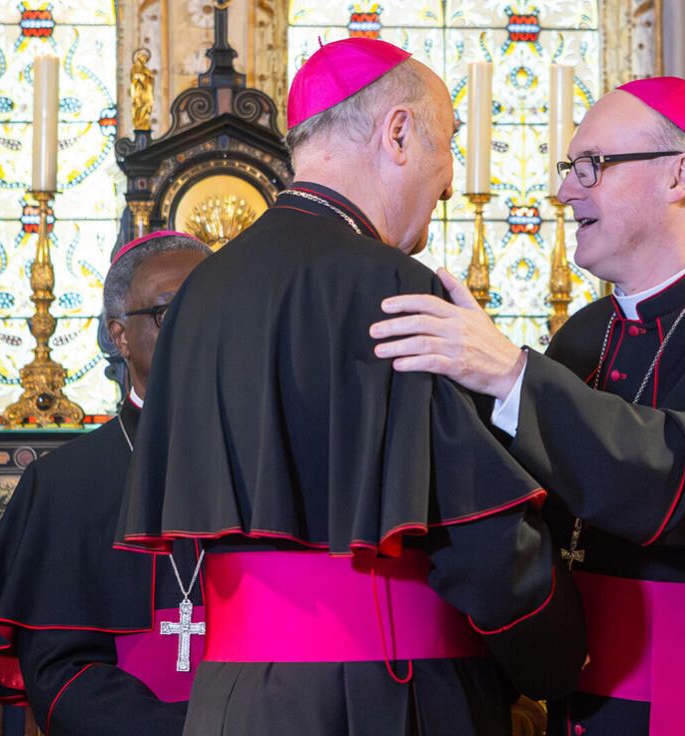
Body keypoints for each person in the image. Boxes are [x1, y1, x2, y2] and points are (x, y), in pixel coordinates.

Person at [371, 76, 685, 735]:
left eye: (592, 165)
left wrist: (510, 376)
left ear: (681, 175)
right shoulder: (584, 335)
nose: (564, 190)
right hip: (584, 703)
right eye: (568, 168)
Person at [117, 38, 586, 736]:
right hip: (384, 695)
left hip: (232, 704)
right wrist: (556, 655)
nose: (450, 181)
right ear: (397, 133)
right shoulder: (391, 287)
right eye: (447, 145)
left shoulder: (198, 294)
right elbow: (480, 538)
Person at [0, 231, 211, 735]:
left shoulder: (271, 461)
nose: (194, 327)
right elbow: (58, 670)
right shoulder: (64, 483)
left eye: (212, 306)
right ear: (120, 335)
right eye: (166, 312)